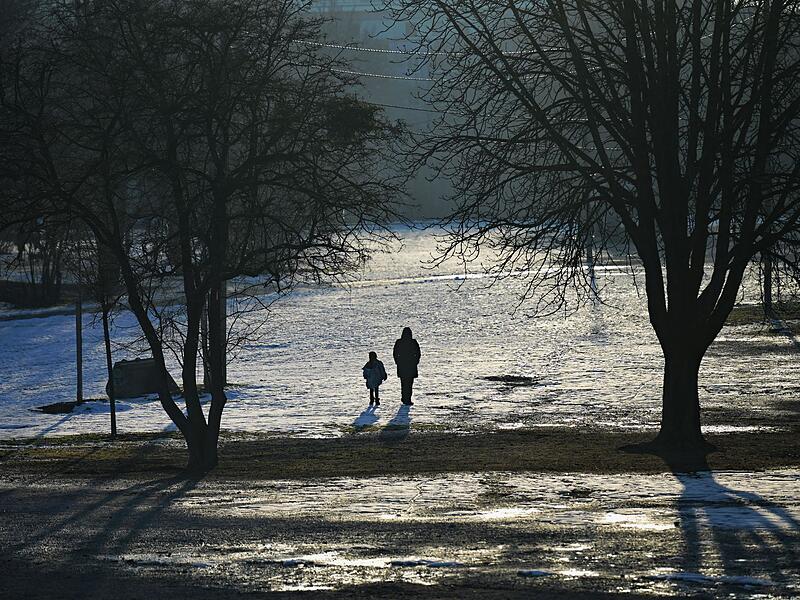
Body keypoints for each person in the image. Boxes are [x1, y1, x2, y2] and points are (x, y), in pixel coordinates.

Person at [393, 327, 421, 405]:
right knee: (409, 383)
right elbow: (418, 353)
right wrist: (415, 361)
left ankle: (405, 398)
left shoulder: (399, 342)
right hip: (410, 366)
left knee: (403, 383)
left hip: (402, 366)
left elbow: (395, 353)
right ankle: (407, 398)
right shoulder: (413, 342)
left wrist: (398, 362)